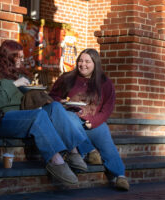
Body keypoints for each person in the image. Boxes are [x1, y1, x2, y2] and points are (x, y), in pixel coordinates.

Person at [0, 40, 88, 185]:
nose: (22, 61)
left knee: (55, 107)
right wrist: (15, 85)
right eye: (19, 58)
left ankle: (73, 152)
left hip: (23, 116)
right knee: (38, 116)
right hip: (0, 120)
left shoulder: (15, 75)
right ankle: (55, 160)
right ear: (7, 57)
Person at [49, 48, 130, 191]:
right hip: (71, 118)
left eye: (87, 61)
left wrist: (94, 122)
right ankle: (90, 151)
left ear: (95, 64)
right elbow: (52, 96)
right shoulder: (67, 78)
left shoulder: (105, 83)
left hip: (92, 122)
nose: (83, 64)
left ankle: (120, 175)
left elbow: (107, 108)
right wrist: (60, 101)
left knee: (105, 135)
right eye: (80, 60)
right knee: (70, 118)